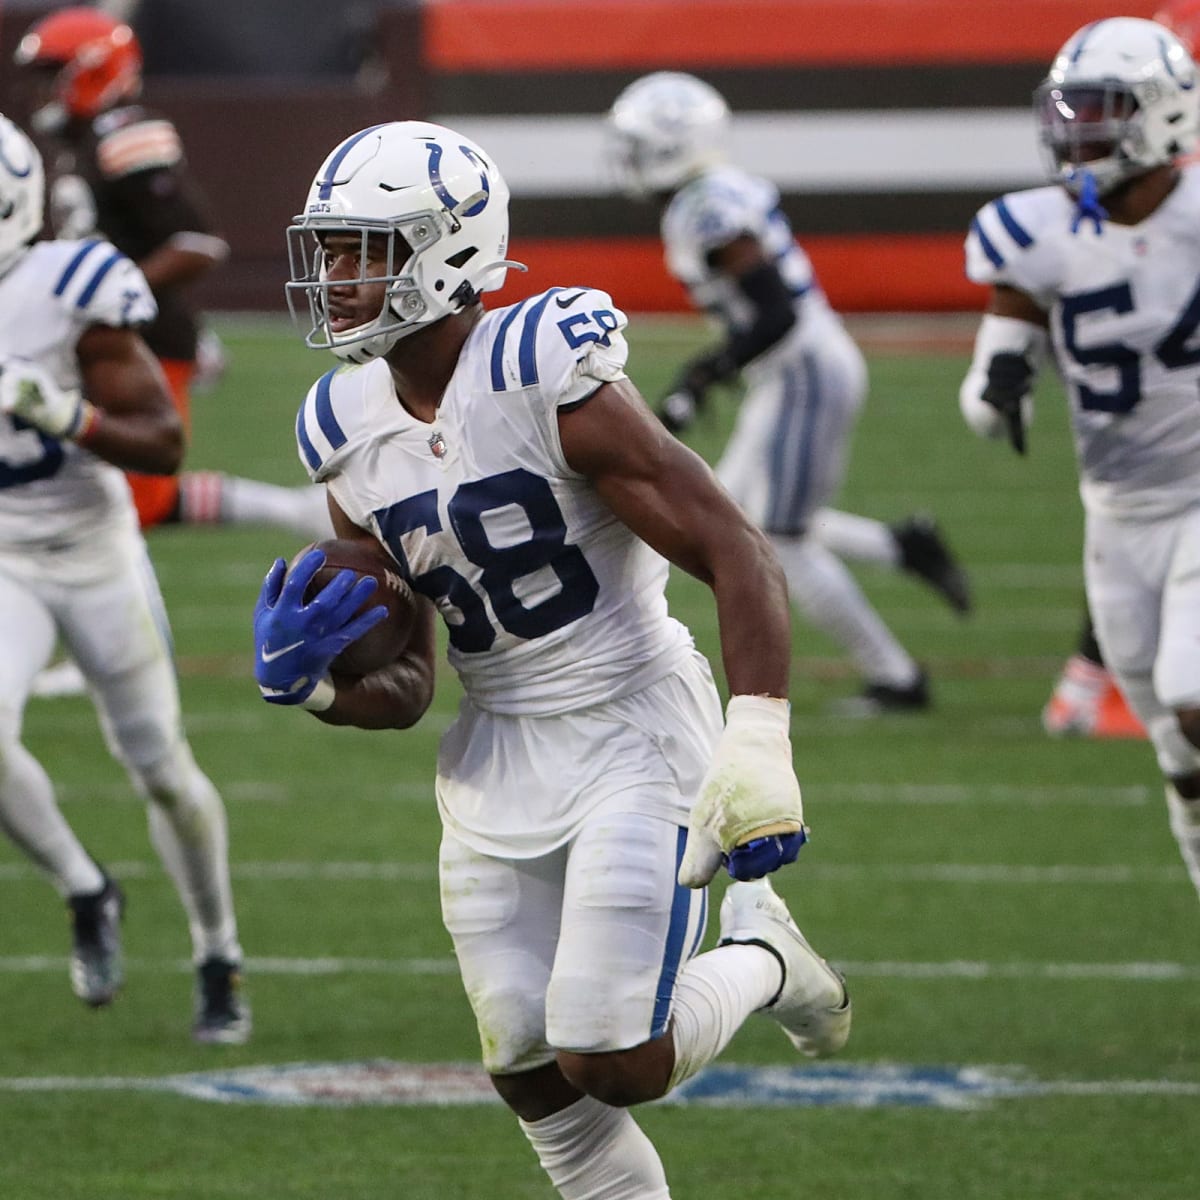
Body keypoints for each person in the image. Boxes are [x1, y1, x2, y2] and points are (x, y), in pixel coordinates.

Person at [254, 120, 850, 1198]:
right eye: (329, 249)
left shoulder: (544, 368)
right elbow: (409, 687)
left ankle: (763, 956)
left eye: (362, 250)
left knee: (613, 1058)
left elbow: (731, 544)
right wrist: (320, 684)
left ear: (445, 252)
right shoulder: (342, 425)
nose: (335, 276)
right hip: (497, 746)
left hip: (631, 718)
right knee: (527, 1068)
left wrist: (759, 730)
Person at [605, 72, 973, 717]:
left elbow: (777, 315)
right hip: (793, 368)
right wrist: (709, 372)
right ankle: (903, 547)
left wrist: (703, 372)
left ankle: (897, 678)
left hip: (801, 369)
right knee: (738, 510)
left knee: (779, 537)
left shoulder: (707, 209)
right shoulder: (711, 194)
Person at [0, 112, 249, 1043]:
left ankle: (217, 948)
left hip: (95, 549)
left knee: (164, 773)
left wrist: (68, 414)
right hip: (5, 556)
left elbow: (164, 442)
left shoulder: (67, 285)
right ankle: (85, 885)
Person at [14, 6, 330, 699]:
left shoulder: (126, 134)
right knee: (114, 490)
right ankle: (292, 512)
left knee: (135, 496)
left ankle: (120, 648)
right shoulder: (77, 138)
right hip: (98, 338)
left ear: (92, 71)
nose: (41, 91)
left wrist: (114, 292)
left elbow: (195, 242)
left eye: (52, 75)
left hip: (139, 340)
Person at [959, 16, 1200, 903]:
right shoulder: (1034, 230)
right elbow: (986, 388)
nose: (1078, 130)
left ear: (1165, 113)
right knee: (1178, 756)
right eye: (1070, 109)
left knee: (1192, 692)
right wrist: (1000, 384)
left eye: (1102, 110)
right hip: (1117, 517)